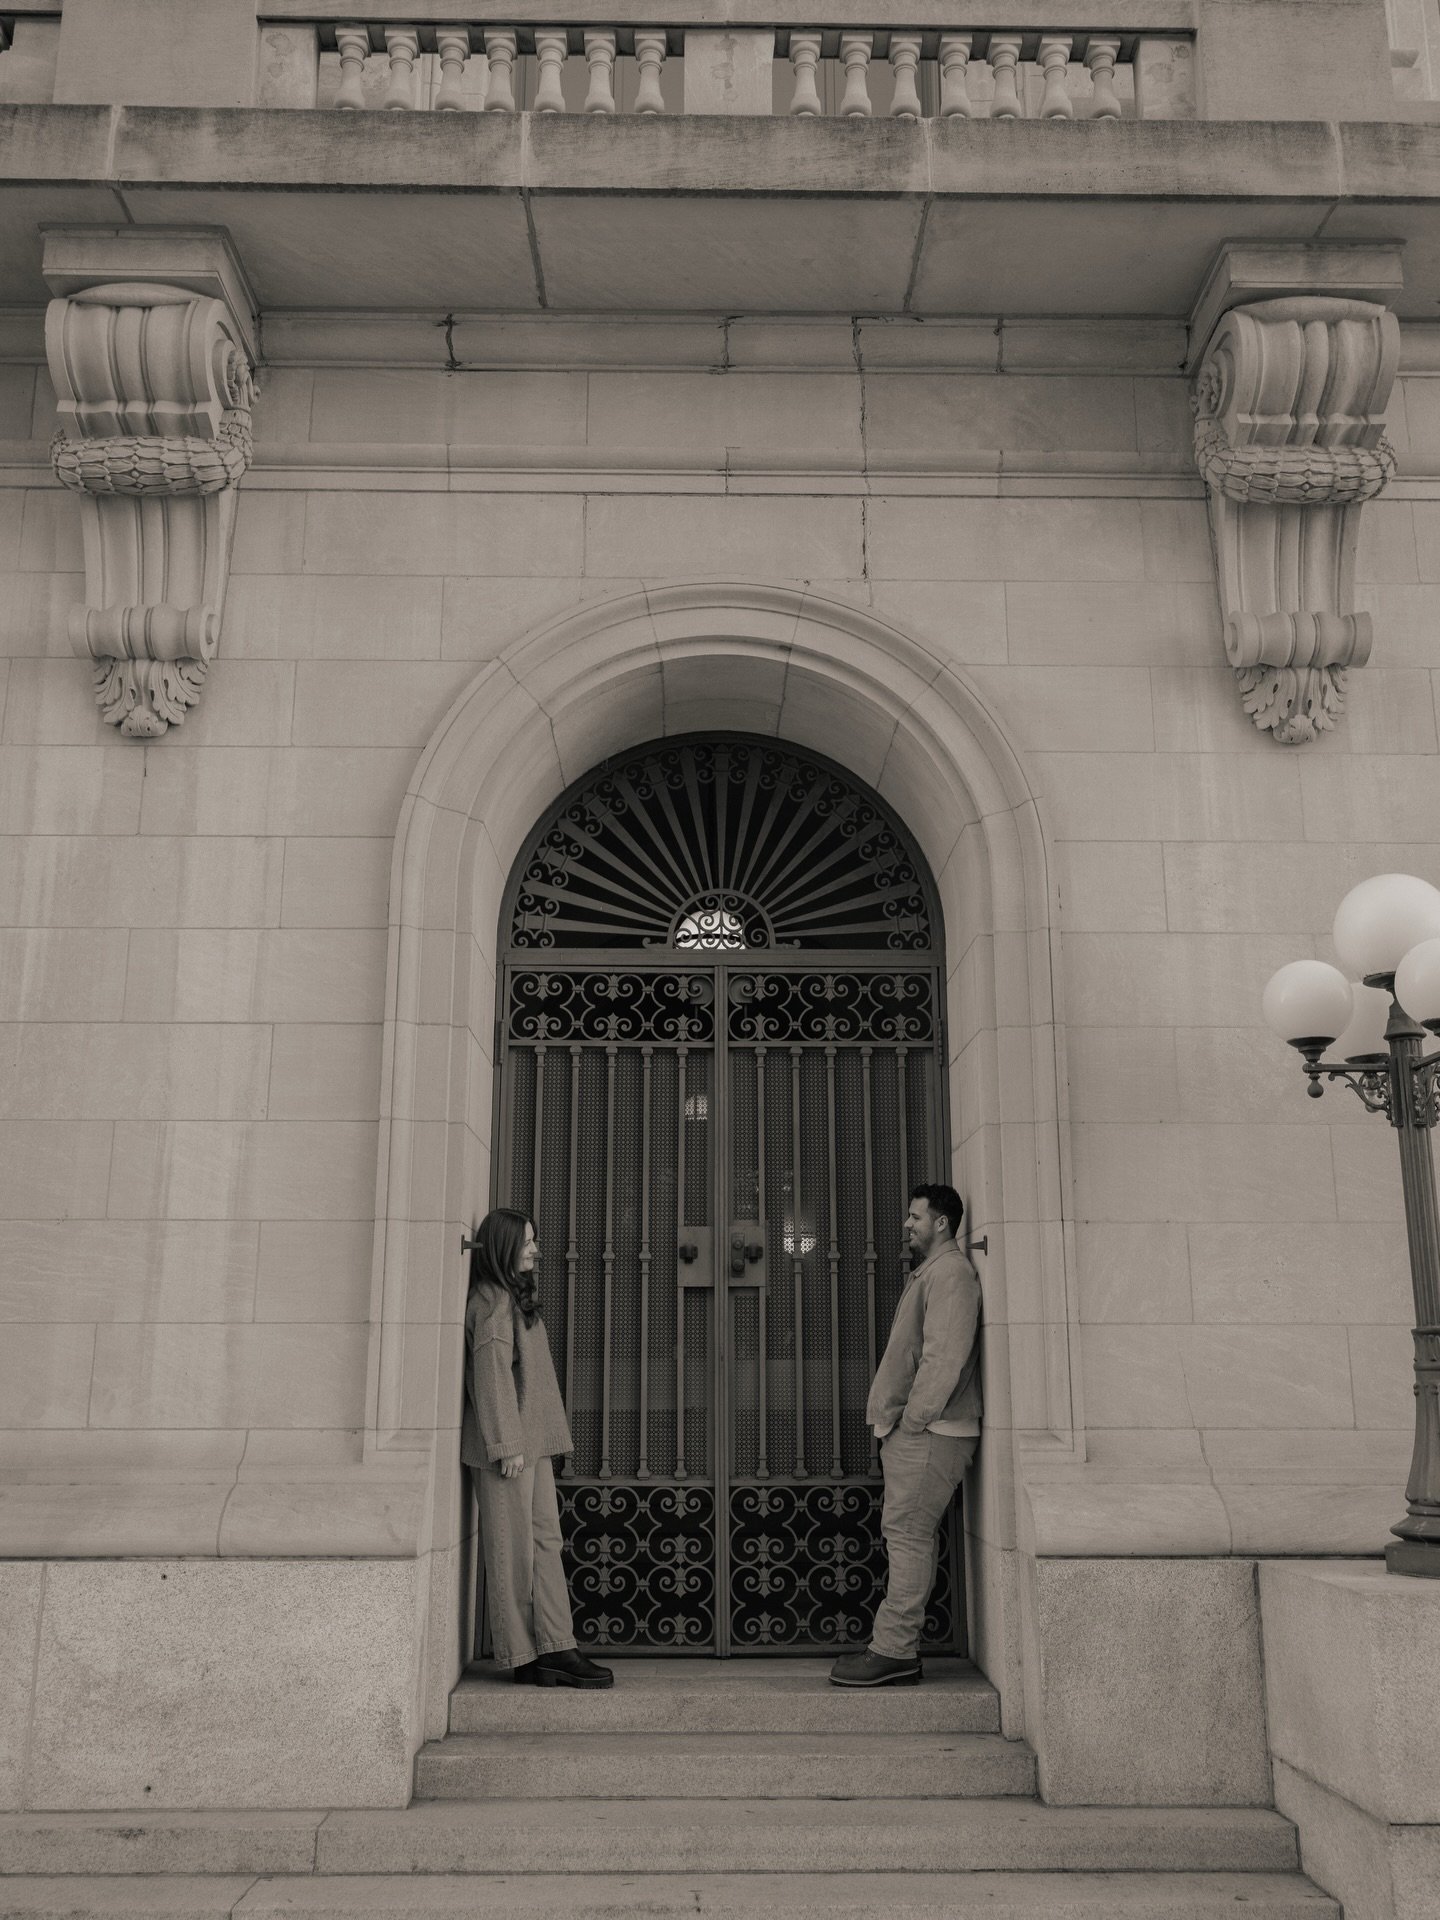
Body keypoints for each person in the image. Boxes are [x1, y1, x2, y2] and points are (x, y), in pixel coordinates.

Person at [830, 1182, 982, 1688]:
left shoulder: (952, 1275)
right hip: (924, 1429)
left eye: (915, 1216)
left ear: (941, 1222)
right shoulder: (936, 1273)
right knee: (906, 1534)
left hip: (932, 1430)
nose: (907, 1224)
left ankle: (895, 1651)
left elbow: (944, 1356)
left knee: (909, 1536)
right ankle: (895, 1648)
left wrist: (912, 1420)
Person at [461, 1206, 613, 1689]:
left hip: (530, 1445)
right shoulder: (491, 1302)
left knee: (546, 1542)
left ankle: (557, 1645)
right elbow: (491, 1380)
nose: (536, 1249)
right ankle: (524, 1654)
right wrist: (506, 1445)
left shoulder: (510, 1296)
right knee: (514, 1552)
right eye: (527, 1241)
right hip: (509, 1450)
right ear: (505, 1246)